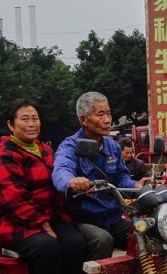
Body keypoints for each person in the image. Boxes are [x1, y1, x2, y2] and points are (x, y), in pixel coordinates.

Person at [0, 99, 88, 274]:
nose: (32, 123)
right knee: (47, 246)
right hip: (15, 221)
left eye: (35, 118)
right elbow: (12, 197)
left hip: (50, 216)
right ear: (11, 126)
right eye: (25, 119)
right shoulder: (5, 154)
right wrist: (40, 222)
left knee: (75, 242)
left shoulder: (46, 150)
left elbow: (59, 181)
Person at [53, 92, 147, 259]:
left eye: (109, 113)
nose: (107, 120)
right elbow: (61, 169)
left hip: (112, 216)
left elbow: (120, 178)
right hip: (83, 220)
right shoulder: (70, 146)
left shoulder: (113, 146)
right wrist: (71, 181)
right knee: (103, 240)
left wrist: (136, 185)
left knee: (143, 232)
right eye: (100, 114)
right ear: (84, 120)